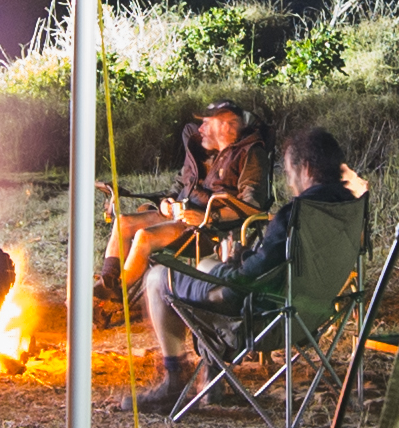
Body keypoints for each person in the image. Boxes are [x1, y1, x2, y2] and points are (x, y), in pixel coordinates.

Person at [139, 127, 354, 410]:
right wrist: (237, 259)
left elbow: (247, 282)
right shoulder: (348, 209)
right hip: (312, 317)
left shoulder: (295, 215)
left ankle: (174, 381)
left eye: (289, 173)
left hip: (262, 320)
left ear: (308, 168)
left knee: (156, 277)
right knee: (206, 263)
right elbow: (271, 265)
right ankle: (213, 377)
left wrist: (230, 269)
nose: (290, 183)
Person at [106, 103, 267, 317]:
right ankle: (106, 284)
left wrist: (210, 216)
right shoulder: (201, 150)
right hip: (178, 215)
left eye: (206, 124)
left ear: (226, 126)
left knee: (144, 237)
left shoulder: (250, 154)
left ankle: (110, 301)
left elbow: (251, 206)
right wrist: (167, 200)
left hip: (207, 230)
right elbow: (179, 183)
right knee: (123, 222)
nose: (200, 130)